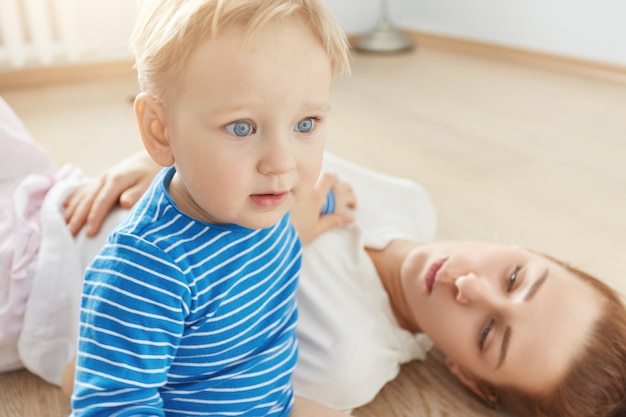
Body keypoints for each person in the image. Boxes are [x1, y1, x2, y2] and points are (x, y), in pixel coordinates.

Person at [2, 93, 625, 416]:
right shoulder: (410, 203)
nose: (470, 288)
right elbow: (253, 147)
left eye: (489, 333)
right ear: (523, 247)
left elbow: (130, 374)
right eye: (515, 277)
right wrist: (157, 161)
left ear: (467, 376)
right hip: (54, 188)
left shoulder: (344, 360)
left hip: (27, 289)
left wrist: (288, 231)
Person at [68, 0, 352, 415]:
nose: (281, 163)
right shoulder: (148, 270)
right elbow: (113, 407)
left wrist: (331, 199)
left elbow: (279, 236)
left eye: (305, 124)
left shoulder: (266, 202)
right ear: (160, 131)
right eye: (242, 127)